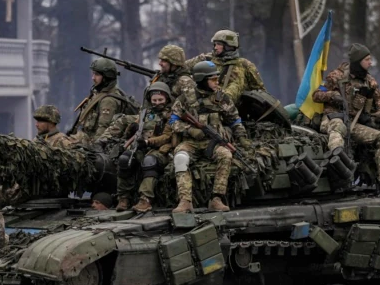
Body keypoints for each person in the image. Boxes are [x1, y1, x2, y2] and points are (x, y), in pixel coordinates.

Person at [312, 43, 380, 192]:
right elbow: (316, 95)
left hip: (353, 123)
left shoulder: (369, 81)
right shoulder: (336, 76)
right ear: (358, 61)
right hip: (333, 119)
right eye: (367, 59)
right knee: (339, 128)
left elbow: (379, 99)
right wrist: (332, 95)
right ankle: (339, 168)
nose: (370, 63)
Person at [170, 61, 249, 213]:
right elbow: (173, 121)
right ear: (201, 79)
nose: (216, 82)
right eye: (212, 79)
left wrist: (242, 137)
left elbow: (234, 119)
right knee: (180, 157)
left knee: (226, 155)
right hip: (191, 142)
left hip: (213, 142)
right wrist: (191, 130)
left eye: (217, 78)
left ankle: (216, 198)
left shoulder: (221, 97)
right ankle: (185, 201)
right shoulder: (186, 97)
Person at [100, 82, 176, 211]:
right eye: (154, 100)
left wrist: (148, 142)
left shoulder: (171, 115)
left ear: (167, 99)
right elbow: (134, 130)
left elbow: (166, 137)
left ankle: (145, 199)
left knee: (149, 162)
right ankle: (123, 198)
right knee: (125, 159)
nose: (157, 103)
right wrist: (132, 130)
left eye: (160, 100)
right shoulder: (145, 113)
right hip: (141, 147)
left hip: (160, 150)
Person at [188, 30, 265, 104]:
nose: (215, 47)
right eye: (215, 44)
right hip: (202, 104)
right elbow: (182, 68)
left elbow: (260, 91)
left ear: (228, 46)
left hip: (233, 109)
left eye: (219, 44)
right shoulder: (206, 59)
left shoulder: (244, 65)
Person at [69, 58, 129, 142]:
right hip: (84, 138)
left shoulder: (108, 100)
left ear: (106, 77)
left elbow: (103, 130)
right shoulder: (98, 94)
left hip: (91, 143)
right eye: (93, 74)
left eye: (97, 74)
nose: (93, 78)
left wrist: (90, 148)